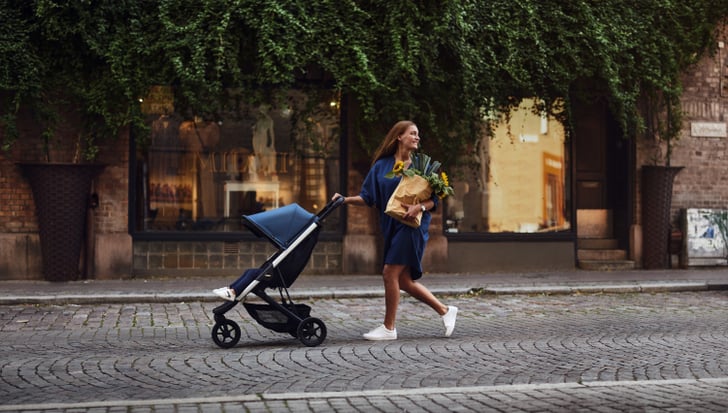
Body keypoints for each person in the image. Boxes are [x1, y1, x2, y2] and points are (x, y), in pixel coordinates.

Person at [332, 120, 458, 340]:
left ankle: (389, 328)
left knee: (389, 272)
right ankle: (445, 310)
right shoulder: (381, 166)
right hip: (391, 226)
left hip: (412, 227)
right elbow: (368, 197)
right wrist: (345, 200)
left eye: (418, 134)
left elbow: (435, 200)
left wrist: (419, 206)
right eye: (413, 133)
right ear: (399, 137)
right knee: (404, 281)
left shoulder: (422, 168)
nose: (417, 137)